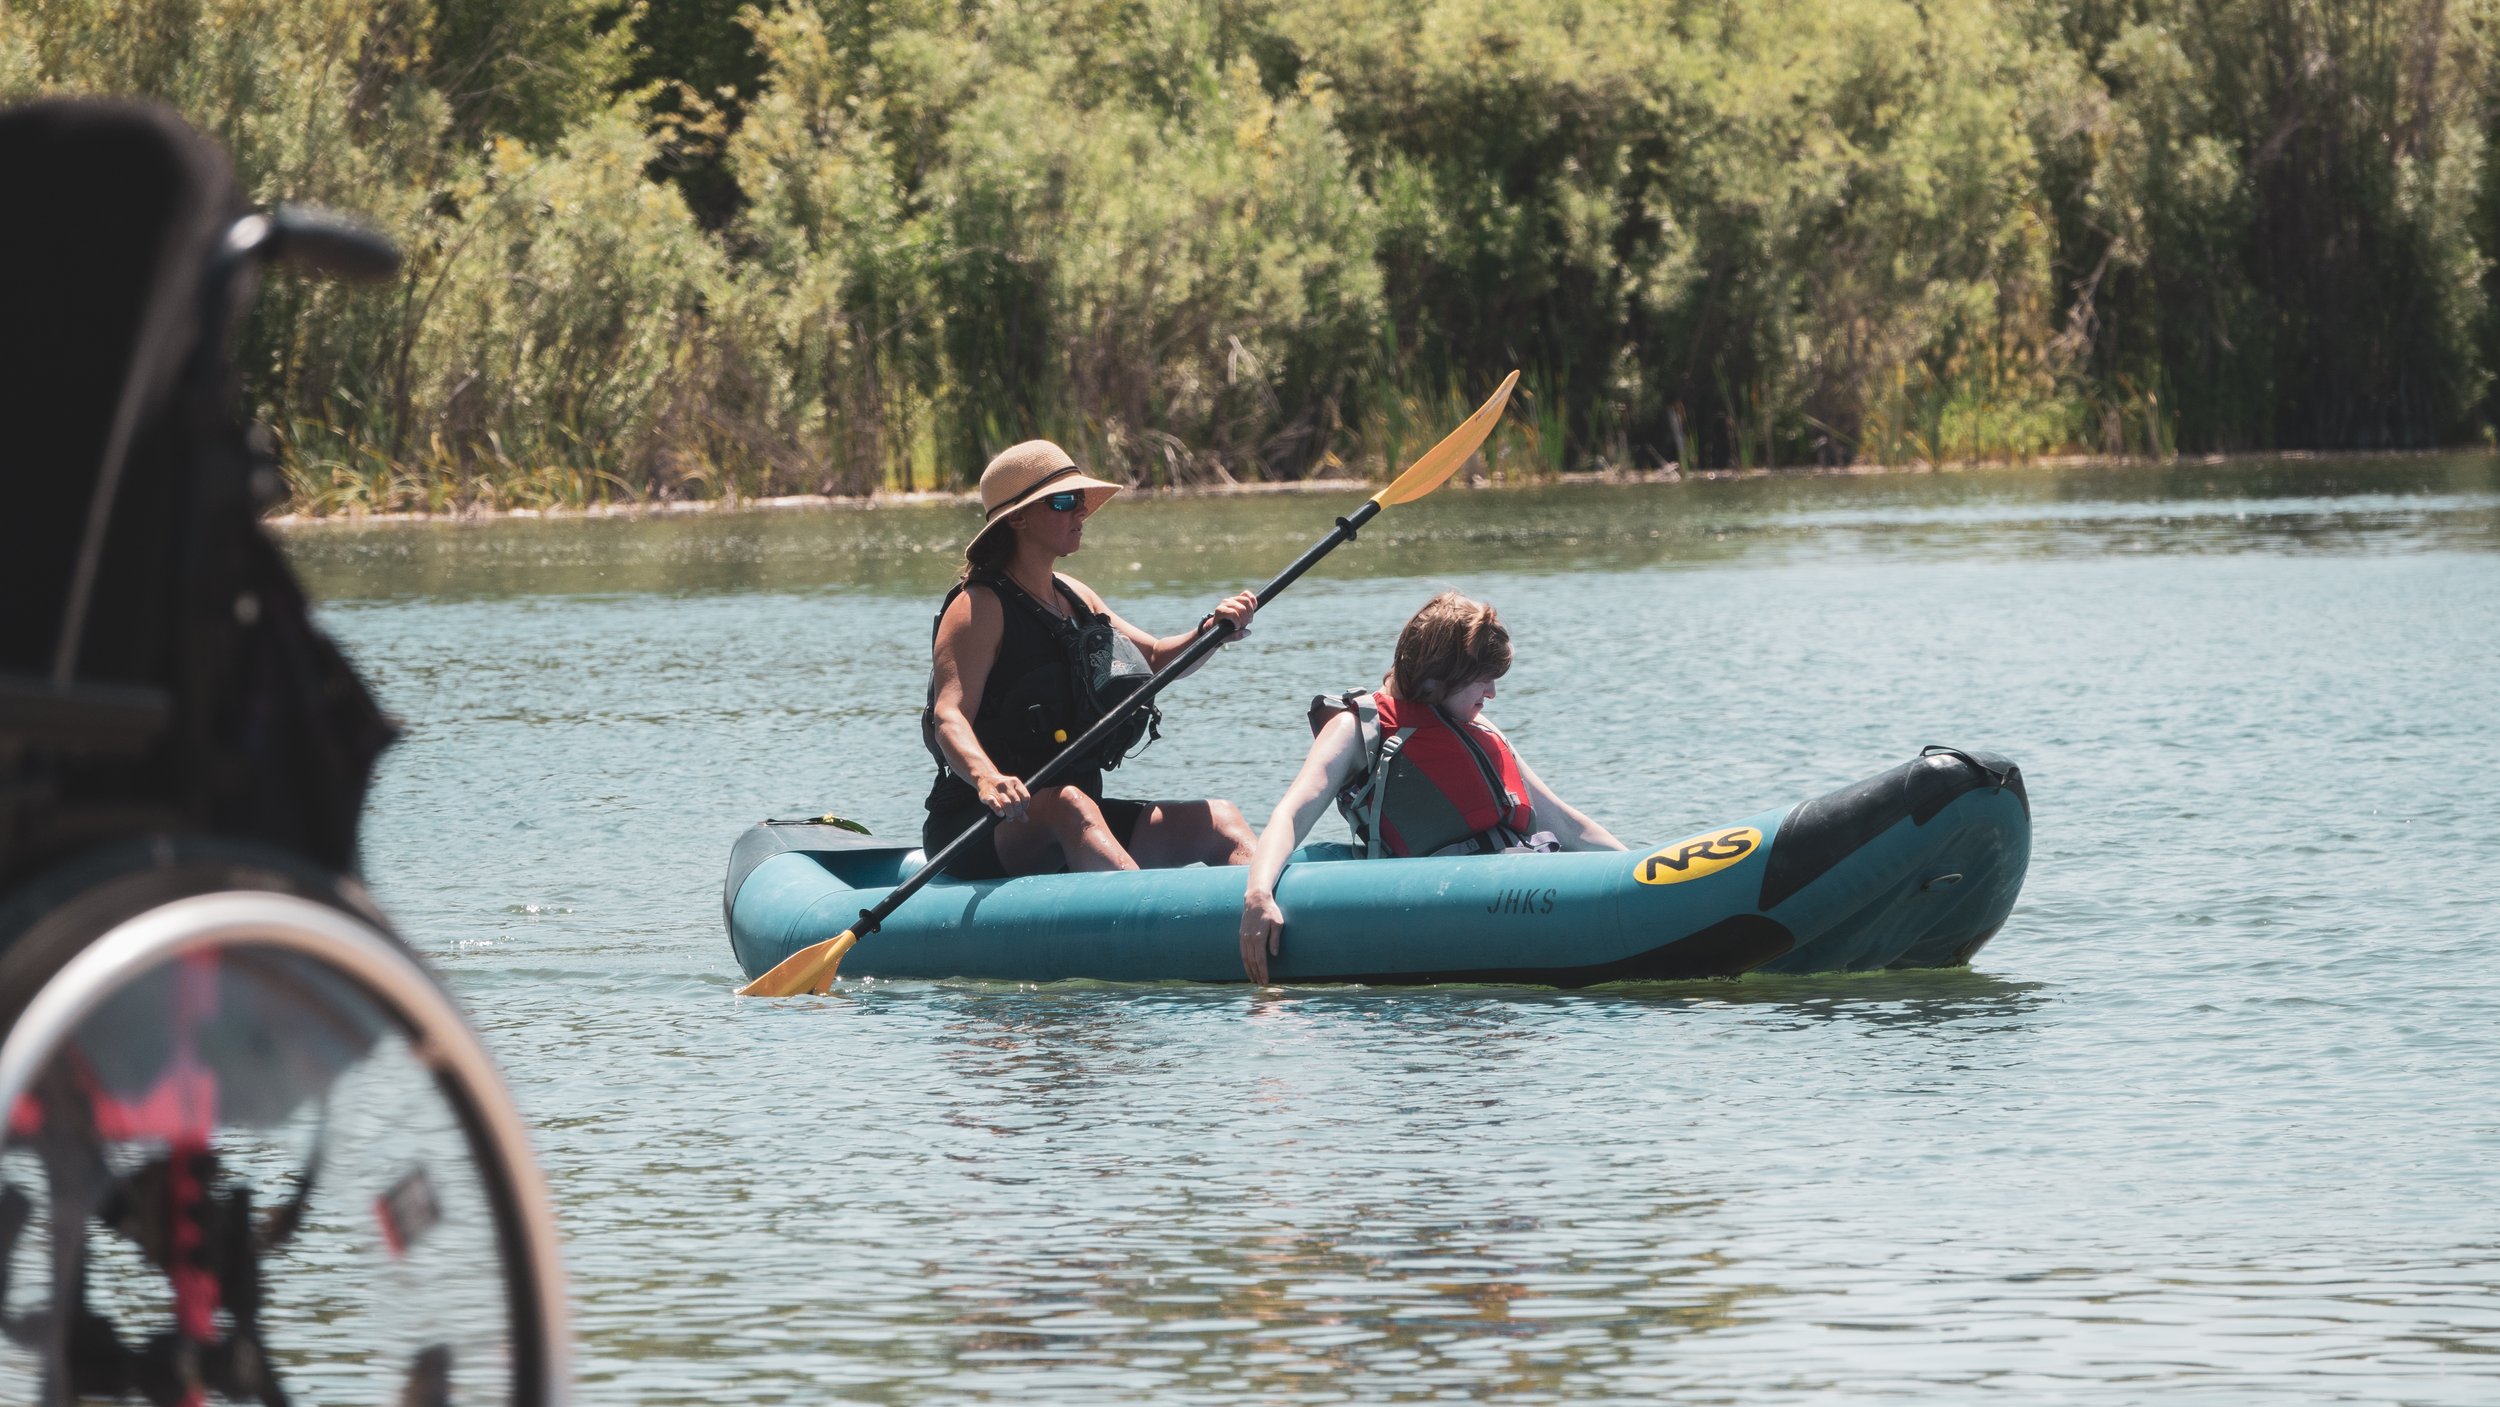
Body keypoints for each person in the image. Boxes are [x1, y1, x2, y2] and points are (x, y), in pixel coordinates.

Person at [1236, 592, 1624, 983]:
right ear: (1434, 680)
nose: (1492, 693)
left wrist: (1634, 870)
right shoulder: (1356, 730)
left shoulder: (1479, 728)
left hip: (1525, 877)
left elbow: (1566, 824)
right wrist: (1258, 895)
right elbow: (1290, 815)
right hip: (1446, 897)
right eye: (1482, 680)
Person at [922, 439, 1260, 879]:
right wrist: (987, 779)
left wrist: (1210, 632)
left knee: (1221, 821)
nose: (1080, 512)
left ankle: (1262, 921)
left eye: (1080, 500)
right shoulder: (978, 606)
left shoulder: (1074, 594)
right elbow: (948, 716)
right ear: (1018, 518)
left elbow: (1156, 658)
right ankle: (1146, 926)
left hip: (1077, 813)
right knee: (1069, 803)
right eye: (1063, 502)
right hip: (983, 825)